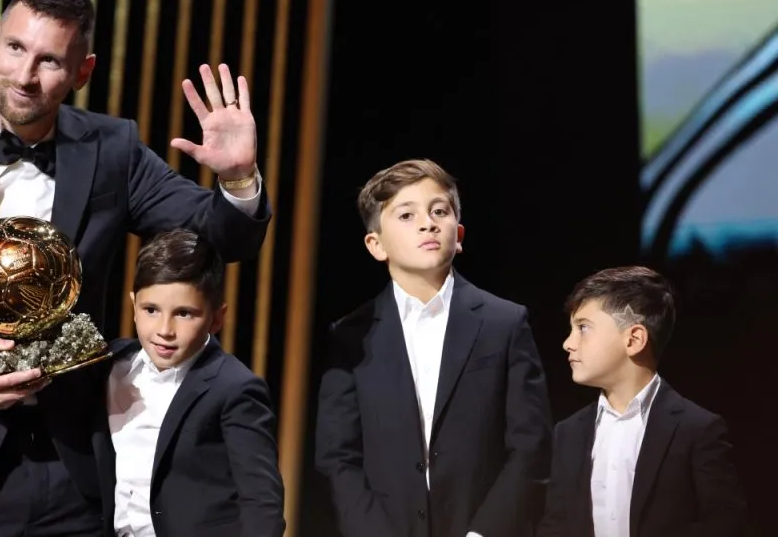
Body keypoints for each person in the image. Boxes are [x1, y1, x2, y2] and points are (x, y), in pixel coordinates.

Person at [0, 0, 271, 535]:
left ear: (83, 71)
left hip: (76, 476)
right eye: (16, 49)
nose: (24, 76)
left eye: (49, 61)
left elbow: (220, 235)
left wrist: (239, 178)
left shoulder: (112, 149)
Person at [315, 159, 553, 537]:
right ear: (376, 245)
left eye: (439, 211)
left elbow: (530, 447)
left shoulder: (503, 323)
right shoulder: (350, 336)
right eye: (406, 215)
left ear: (458, 234)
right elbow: (337, 456)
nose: (428, 223)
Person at [94, 228, 285, 537]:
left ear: (216, 318)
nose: (164, 330)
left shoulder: (234, 388)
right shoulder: (110, 365)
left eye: (184, 314)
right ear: (133, 305)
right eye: (151, 310)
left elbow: (261, 501)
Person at [536, 266, 747, 537]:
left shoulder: (696, 429)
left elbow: (726, 523)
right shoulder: (568, 433)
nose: (568, 343)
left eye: (583, 328)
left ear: (634, 339)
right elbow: (555, 525)